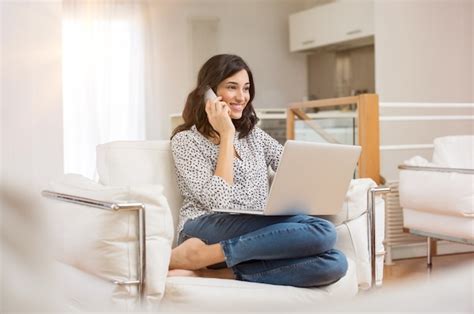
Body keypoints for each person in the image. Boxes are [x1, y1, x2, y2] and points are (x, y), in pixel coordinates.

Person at [169, 54, 347, 287]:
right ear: (209, 93)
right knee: (322, 230)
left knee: (335, 262)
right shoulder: (185, 140)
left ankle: (209, 269)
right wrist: (226, 135)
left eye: (246, 88)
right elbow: (217, 199)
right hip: (205, 227)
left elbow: (293, 167)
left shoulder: (254, 136)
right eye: (232, 87)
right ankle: (199, 254)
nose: (241, 97)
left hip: (256, 232)